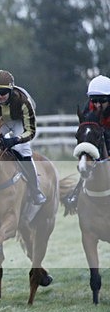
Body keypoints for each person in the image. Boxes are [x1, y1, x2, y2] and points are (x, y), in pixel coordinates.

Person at [0, 69, 46, 205]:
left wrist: (16, 140)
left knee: (24, 151)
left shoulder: (24, 101)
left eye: (3, 93)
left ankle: (35, 189)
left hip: (19, 122)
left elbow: (30, 130)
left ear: (11, 91)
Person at [63, 74, 110, 210]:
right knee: (88, 163)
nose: (97, 105)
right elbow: (85, 128)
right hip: (99, 139)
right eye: (94, 100)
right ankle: (77, 193)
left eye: (102, 101)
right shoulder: (88, 107)